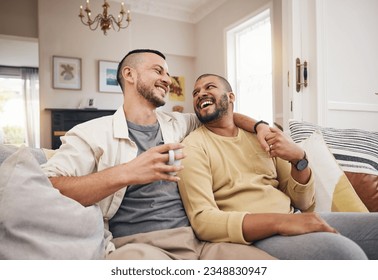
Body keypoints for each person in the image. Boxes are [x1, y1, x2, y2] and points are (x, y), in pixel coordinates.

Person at [41, 49, 275, 260]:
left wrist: (260, 126)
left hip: (200, 243)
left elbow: (223, 114)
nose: (167, 79)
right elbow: (47, 186)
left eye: (167, 72)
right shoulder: (90, 134)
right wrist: (127, 173)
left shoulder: (180, 124)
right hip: (140, 246)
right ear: (129, 74)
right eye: (158, 70)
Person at [177, 73, 378, 260]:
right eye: (195, 92)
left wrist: (299, 159)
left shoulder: (261, 137)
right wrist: (281, 222)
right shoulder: (193, 147)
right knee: (343, 253)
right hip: (258, 236)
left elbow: (304, 202)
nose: (200, 94)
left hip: (295, 218)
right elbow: (203, 220)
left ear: (230, 97)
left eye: (209, 87)